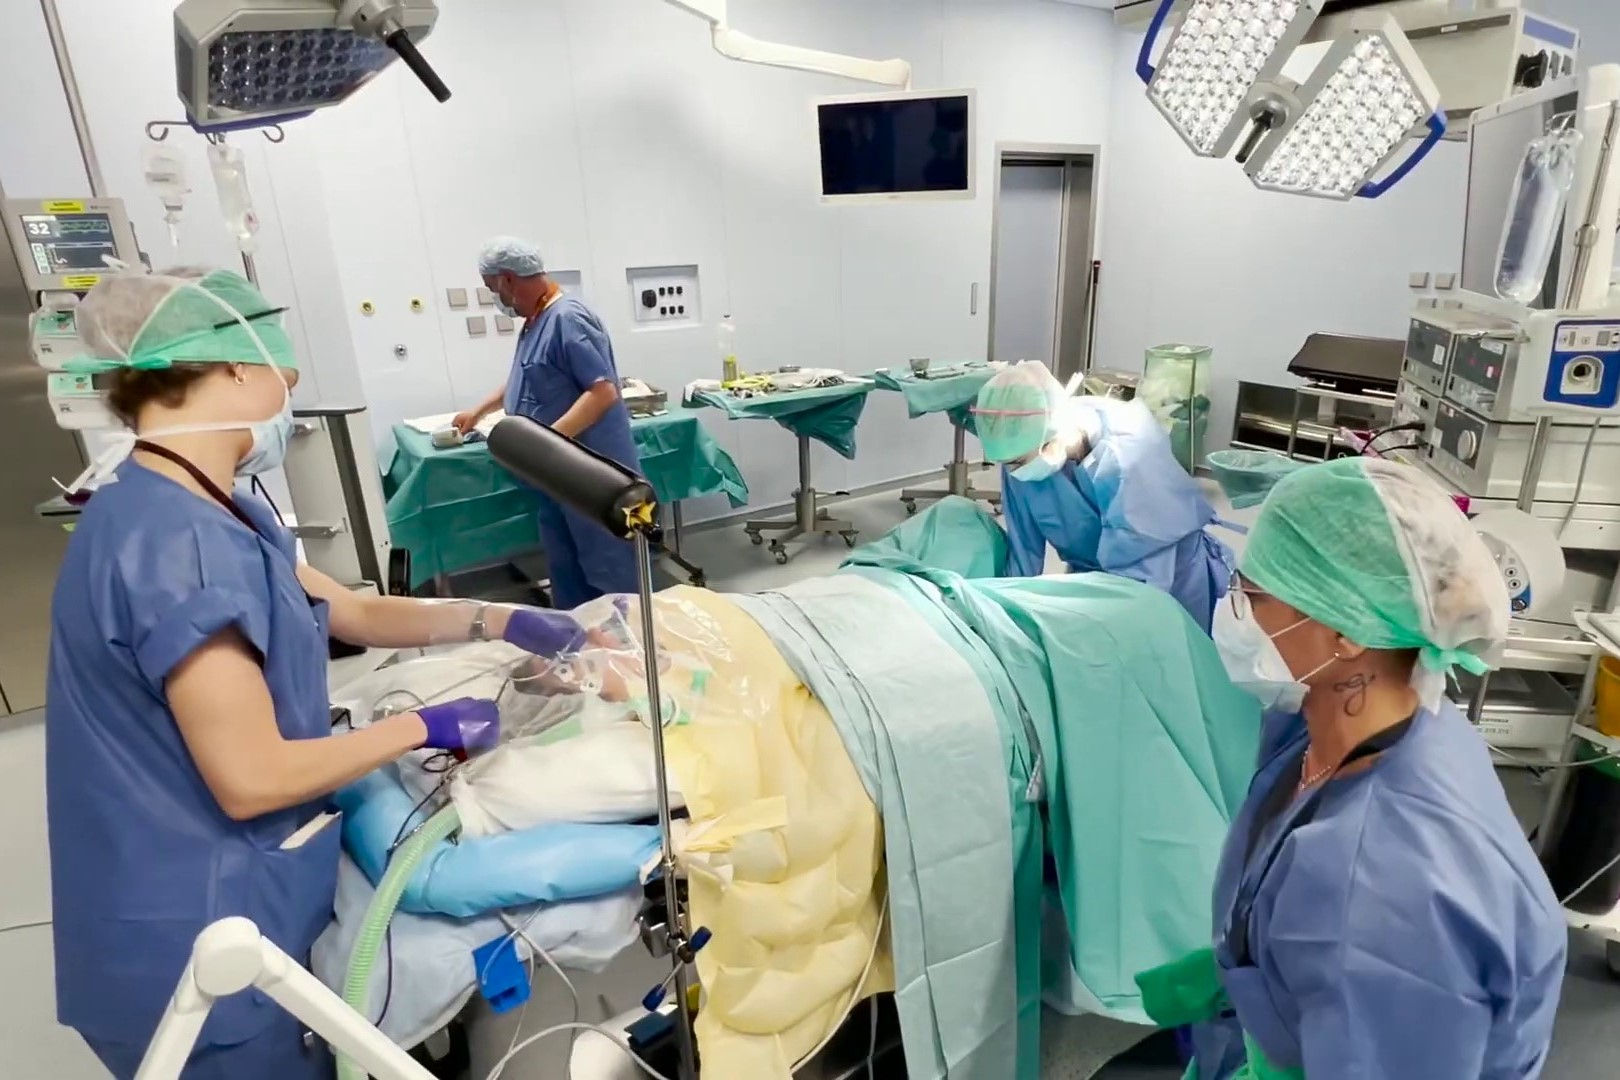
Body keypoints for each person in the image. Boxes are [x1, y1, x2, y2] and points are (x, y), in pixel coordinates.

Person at [45, 268, 595, 1080]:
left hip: (205, 896)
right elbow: (251, 778)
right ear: (230, 366)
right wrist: (422, 727)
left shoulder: (207, 503)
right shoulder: (180, 550)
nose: (291, 378)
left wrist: (499, 619)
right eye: (277, 356)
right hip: (195, 949)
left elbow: (354, 613)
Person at [1157, 457, 1566, 1079]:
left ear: (1344, 634)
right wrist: (1253, 965)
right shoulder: (1372, 722)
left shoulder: (1375, 896)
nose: (1234, 609)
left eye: (1254, 594)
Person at [972, 361, 1234, 630]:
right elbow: (1023, 551)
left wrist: (1095, 623)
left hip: (1167, 575)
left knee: (1169, 655)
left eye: (1017, 462)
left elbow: (1139, 582)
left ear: (1051, 441)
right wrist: (1003, 615)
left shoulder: (1130, 452)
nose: (1013, 471)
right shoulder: (1021, 453)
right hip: (1094, 577)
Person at [454, 237, 641, 607]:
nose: (496, 298)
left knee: (609, 572)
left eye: (493, 289)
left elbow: (603, 392)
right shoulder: (536, 320)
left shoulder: (569, 318)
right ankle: (583, 648)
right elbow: (530, 374)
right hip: (558, 475)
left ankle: (630, 652)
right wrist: (480, 410)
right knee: (568, 570)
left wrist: (548, 445)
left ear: (508, 279)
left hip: (591, 473)